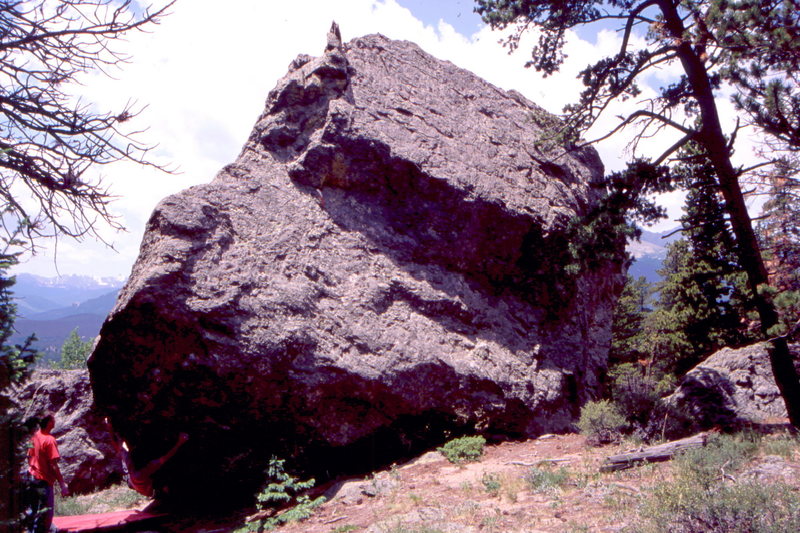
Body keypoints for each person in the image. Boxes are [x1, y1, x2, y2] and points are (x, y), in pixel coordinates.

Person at [105, 419, 189, 498]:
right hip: (149, 490)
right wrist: (179, 442)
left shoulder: (130, 461)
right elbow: (166, 457)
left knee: (123, 450)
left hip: (134, 480)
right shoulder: (145, 471)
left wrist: (109, 427)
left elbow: (117, 447)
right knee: (167, 472)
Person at [27, 414, 68, 533]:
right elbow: (53, 465)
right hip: (43, 481)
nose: (55, 421)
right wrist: (62, 483)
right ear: (49, 422)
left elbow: (29, 456)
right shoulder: (50, 440)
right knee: (46, 516)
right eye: (53, 419)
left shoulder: (34, 436)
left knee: (33, 513)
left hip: (32, 477)